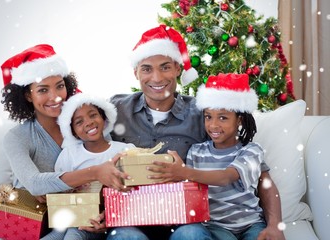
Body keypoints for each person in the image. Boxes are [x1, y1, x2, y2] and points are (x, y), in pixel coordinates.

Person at [108, 25, 286, 240]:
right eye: (146, 69)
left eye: (165, 67)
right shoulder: (115, 110)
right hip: (132, 217)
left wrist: (275, 224)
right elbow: (85, 146)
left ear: (177, 69)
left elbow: (259, 175)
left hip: (183, 220)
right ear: (135, 72)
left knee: (192, 234)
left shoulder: (203, 114)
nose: (156, 78)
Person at [0, 44, 130, 239]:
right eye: (43, 90)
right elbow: (35, 184)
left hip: (84, 220)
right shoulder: (17, 137)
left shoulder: (87, 125)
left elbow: (110, 171)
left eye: (60, 86)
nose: (56, 97)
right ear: (28, 95)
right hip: (39, 223)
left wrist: (108, 216)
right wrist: (94, 172)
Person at [151, 73, 267, 239]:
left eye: (223, 118)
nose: (213, 125)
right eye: (208, 117)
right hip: (215, 225)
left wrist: (184, 172)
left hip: (250, 223)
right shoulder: (196, 152)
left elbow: (226, 177)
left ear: (239, 120)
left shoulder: (251, 150)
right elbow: (191, 192)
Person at [44, 93, 136, 240]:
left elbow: (136, 190)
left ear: (104, 118)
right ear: (73, 131)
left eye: (93, 115)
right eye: (79, 122)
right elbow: (60, 192)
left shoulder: (125, 150)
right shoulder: (69, 155)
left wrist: (111, 215)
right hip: (78, 220)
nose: (88, 123)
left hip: (114, 221)